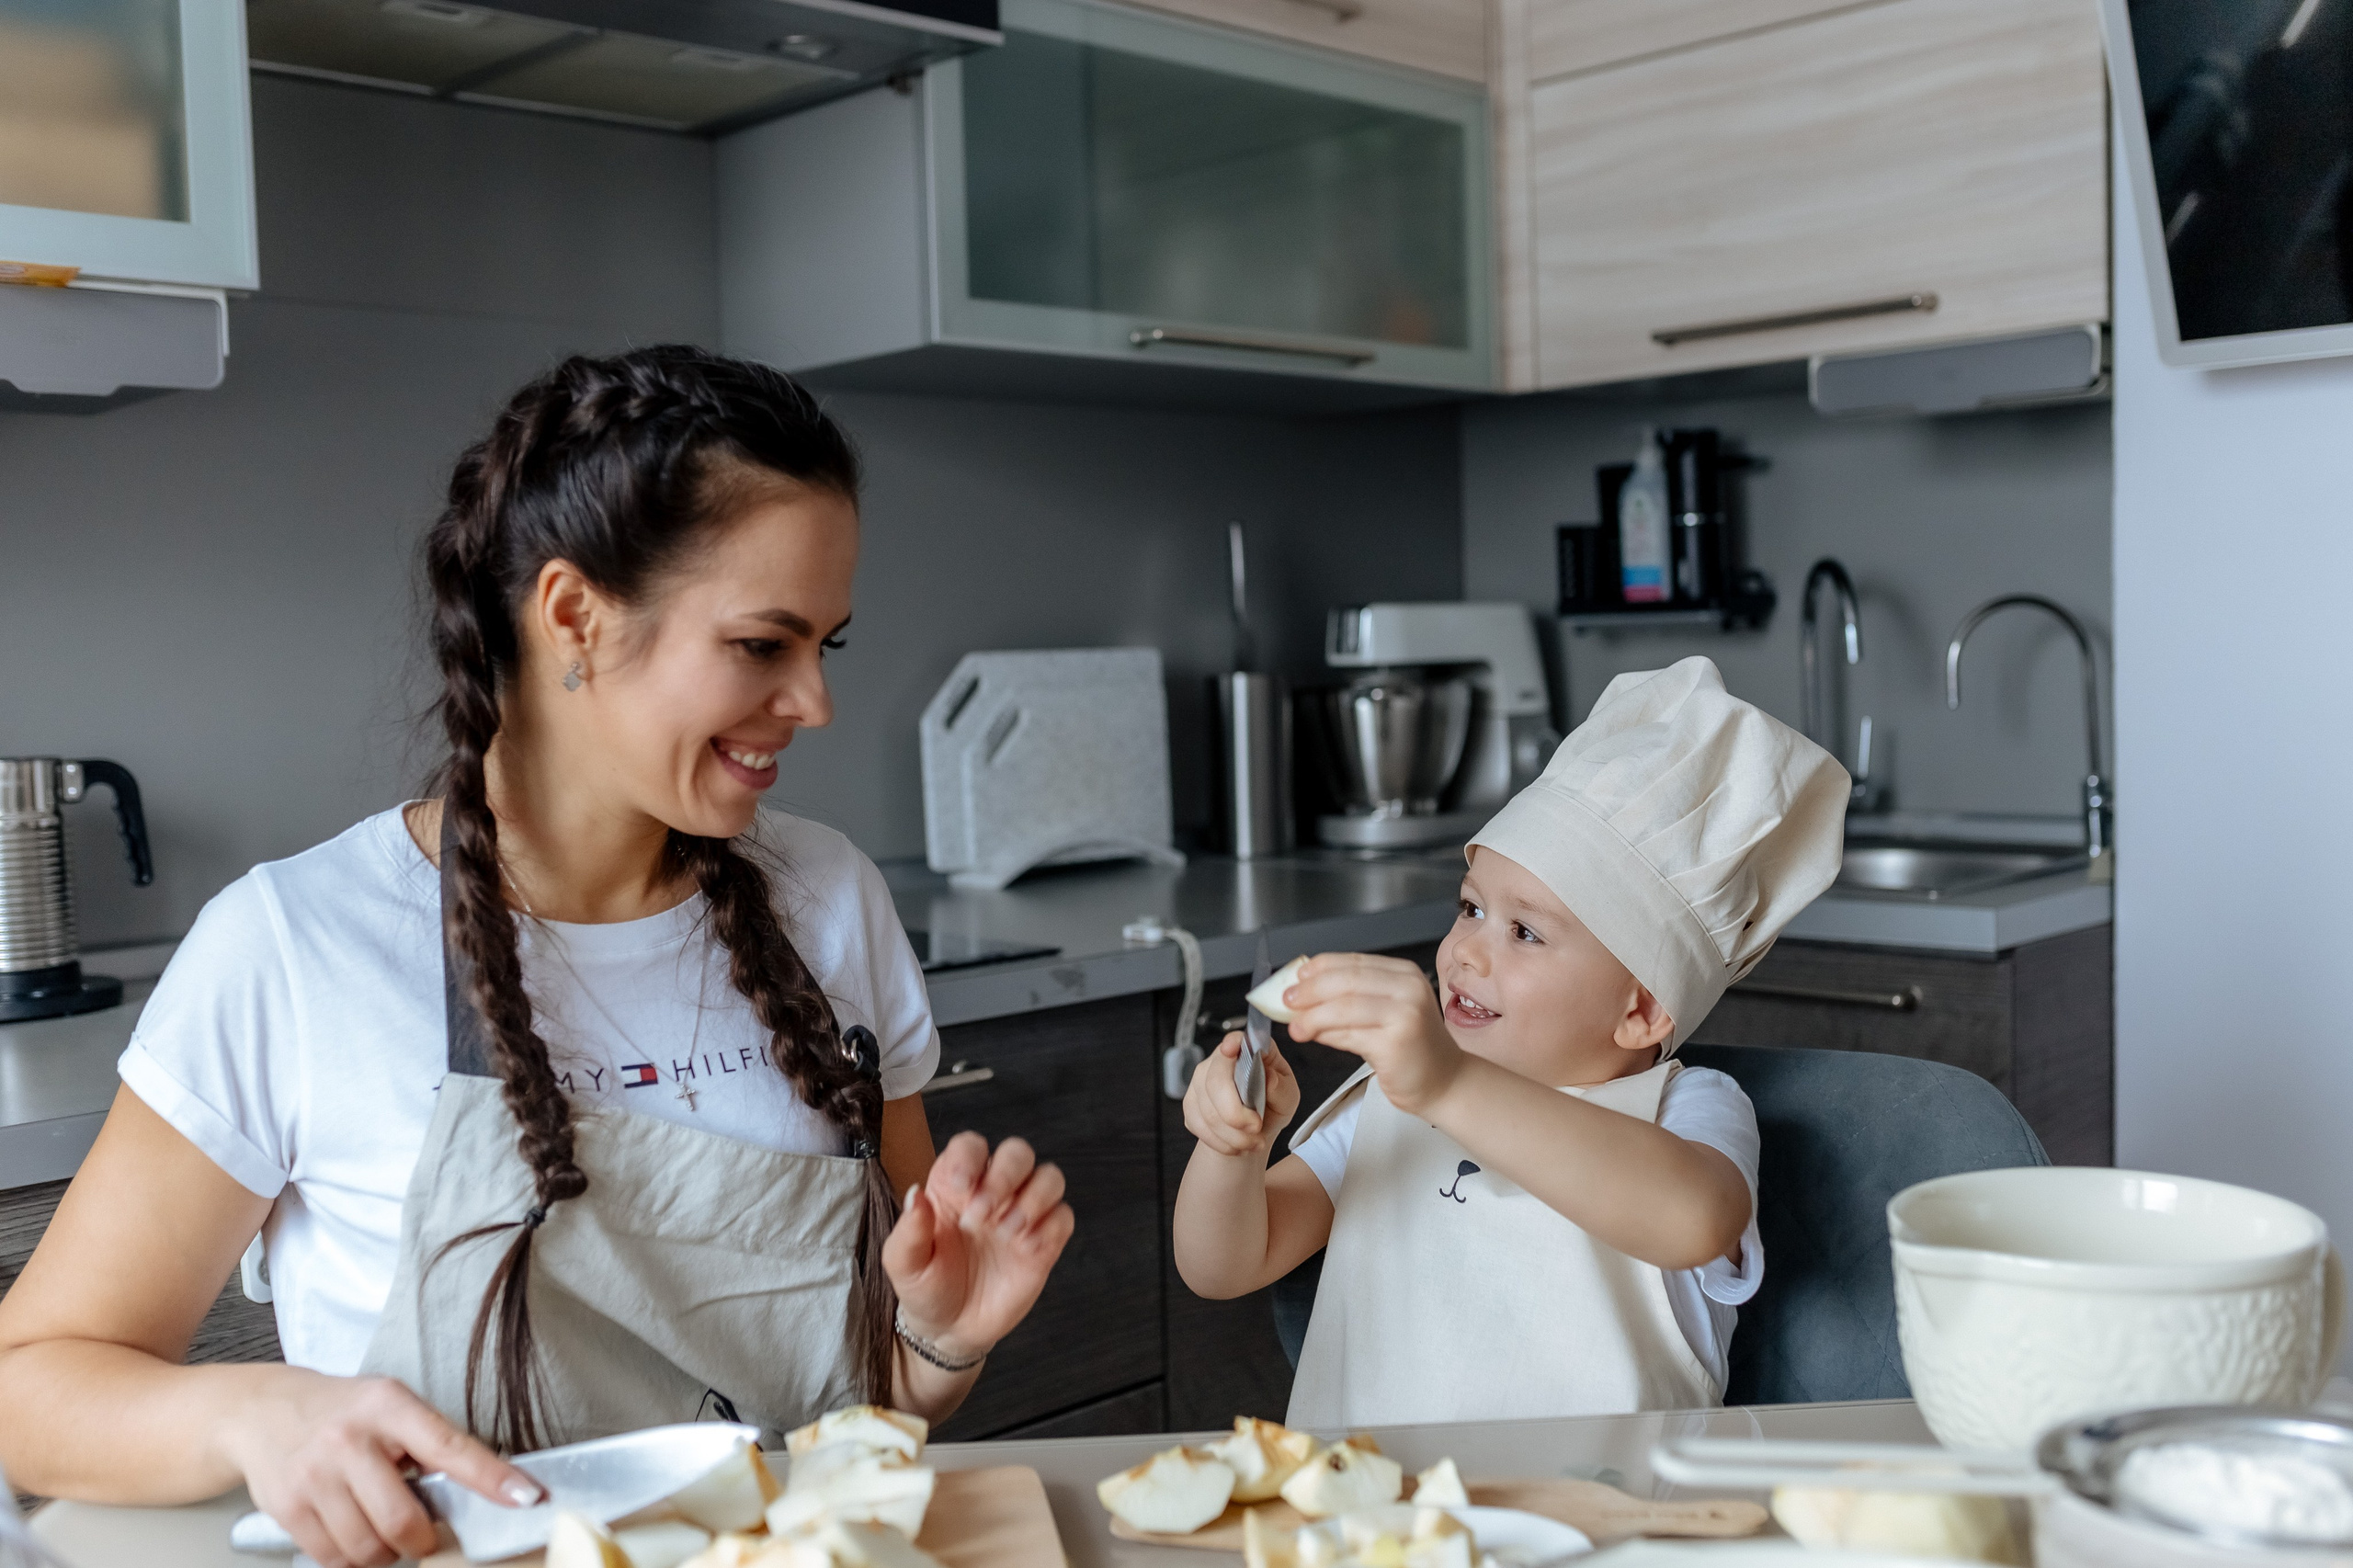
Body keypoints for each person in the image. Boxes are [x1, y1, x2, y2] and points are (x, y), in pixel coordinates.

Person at [0, 347, 1074, 1568]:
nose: (814, 700)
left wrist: (942, 1337)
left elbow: (876, 1400)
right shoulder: (294, 946)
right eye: (762, 643)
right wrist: (254, 1412)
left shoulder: (831, 901)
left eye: (827, 643)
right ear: (572, 615)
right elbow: (27, 1384)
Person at [1173, 656, 1846, 1428]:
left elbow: (1696, 1221)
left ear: (1642, 1009)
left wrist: (1447, 1085)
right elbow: (1222, 1267)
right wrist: (1230, 1150)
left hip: (1607, 1502)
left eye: (1524, 931)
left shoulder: (1689, 1109)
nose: (1465, 951)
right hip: (1371, 1500)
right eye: (1470, 908)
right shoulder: (1387, 1100)